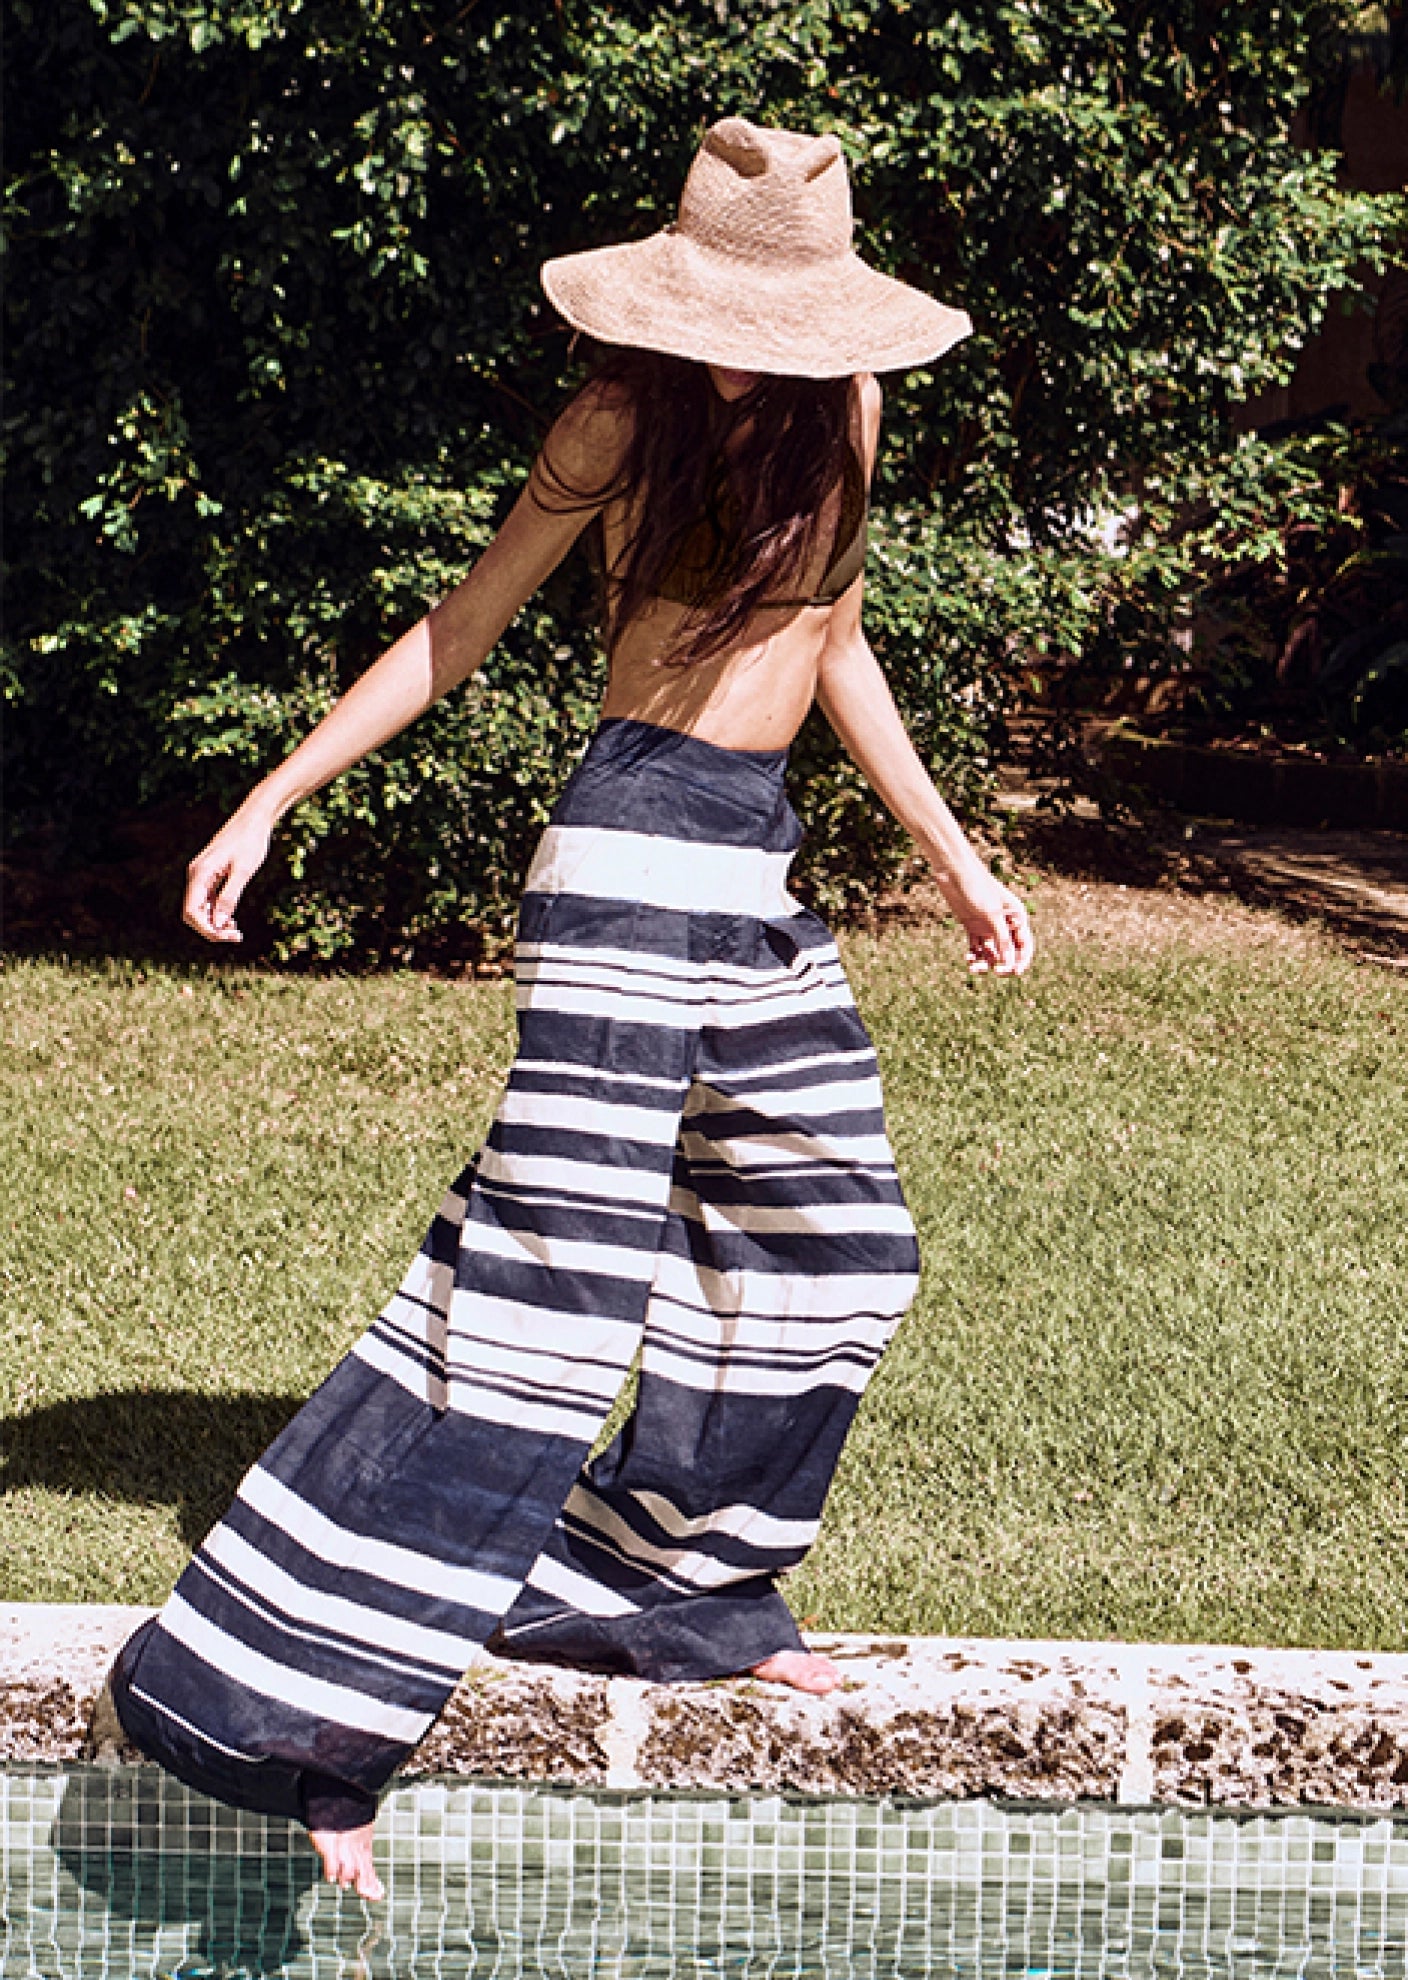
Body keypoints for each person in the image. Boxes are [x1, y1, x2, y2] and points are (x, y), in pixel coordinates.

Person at [109, 115, 1034, 1902]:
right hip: (625, 857)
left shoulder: (848, 406)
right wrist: (271, 797)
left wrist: (953, 855)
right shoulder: (617, 418)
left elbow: (832, 641)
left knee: (838, 1244)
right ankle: (303, 1713)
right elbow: (460, 628)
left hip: (751, 862)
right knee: (541, 1303)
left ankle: (663, 1588)